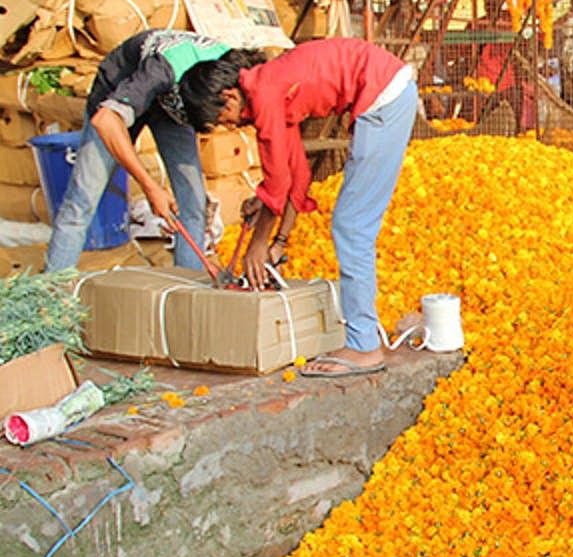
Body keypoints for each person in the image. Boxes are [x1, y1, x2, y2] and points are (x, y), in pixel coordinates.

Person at [179, 37, 419, 378]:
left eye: (225, 118)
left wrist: (258, 245)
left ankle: (364, 346)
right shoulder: (271, 86)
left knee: (352, 227)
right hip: (386, 93)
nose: (231, 126)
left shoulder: (264, 95)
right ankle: (362, 338)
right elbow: (295, 177)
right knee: (352, 224)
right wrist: (278, 242)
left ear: (229, 96)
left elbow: (276, 186)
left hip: (382, 98)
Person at [45, 29, 243, 272]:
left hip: (174, 106)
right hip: (117, 95)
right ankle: (52, 292)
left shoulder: (235, 69)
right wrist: (151, 188)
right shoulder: (159, 72)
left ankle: (190, 289)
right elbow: (105, 121)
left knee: (193, 205)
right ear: (226, 98)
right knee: (82, 200)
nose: (231, 126)